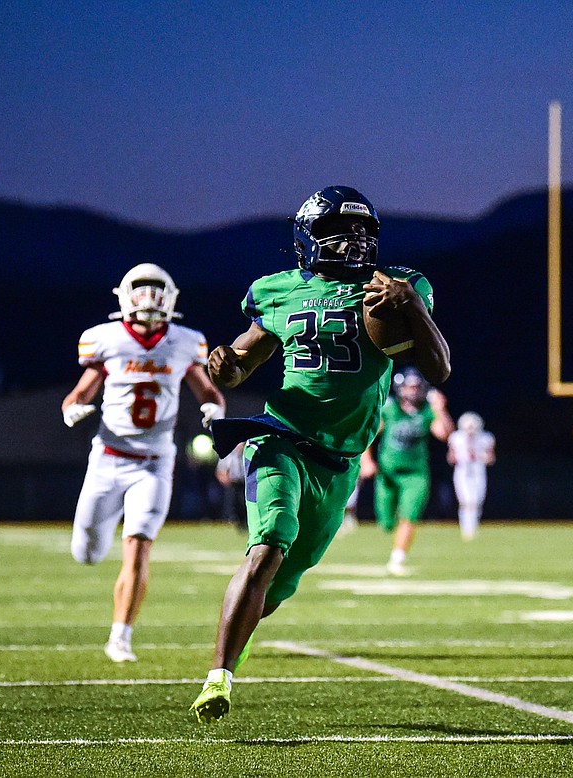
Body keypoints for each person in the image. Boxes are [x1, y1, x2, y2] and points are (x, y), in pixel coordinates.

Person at [189, 186, 450, 723]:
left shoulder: (395, 286)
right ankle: (219, 677)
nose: (352, 241)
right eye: (338, 230)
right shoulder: (278, 290)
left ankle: (234, 646)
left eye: (361, 232)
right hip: (280, 436)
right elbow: (244, 361)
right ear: (309, 237)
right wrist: (225, 369)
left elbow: (440, 367)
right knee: (267, 545)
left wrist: (413, 308)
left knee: (282, 581)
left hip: (340, 460)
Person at [62, 263, 226, 663]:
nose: (149, 298)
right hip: (107, 458)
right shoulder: (106, 340)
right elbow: (78, 393)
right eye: (142, 289)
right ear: (124, 295)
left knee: (137, 545)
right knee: (85, 551)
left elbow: (210, 391)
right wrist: (72, 409)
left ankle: (120, 636)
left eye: (157, 290)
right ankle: (97, 565)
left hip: (155, 462)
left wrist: (212, 408)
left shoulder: (185, 342)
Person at [361, 367, 455, 574]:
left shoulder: (427, 410)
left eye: (416, 386)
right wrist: (366, 460)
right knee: (386, 522)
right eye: (409, 386)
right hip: (388, 474)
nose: (413, 391)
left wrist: (441, 409)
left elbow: (445, 434)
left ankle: (397, 557)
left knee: (410, 515)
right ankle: (394, 541)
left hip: (416, 473)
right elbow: (368, 435)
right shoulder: (390, 409)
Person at [447, 411, 496, 540]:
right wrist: (462, 456)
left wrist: (479, 457)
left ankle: (473, 527)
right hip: (462, 471)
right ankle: (466, 529)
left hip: (478, 470)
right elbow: (451, 459)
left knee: (476, 501)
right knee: (466, 501)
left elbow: (491, 459)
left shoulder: (486, 438)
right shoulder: (456, 438)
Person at [214, 442, 247, 528]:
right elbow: (221, 471)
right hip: (233, 483)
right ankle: (232, 520)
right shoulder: (228, 455)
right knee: (232, 503)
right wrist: (226, 481)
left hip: (245, 483)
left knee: (244, 503)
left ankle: (244, 521)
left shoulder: (247, 455)